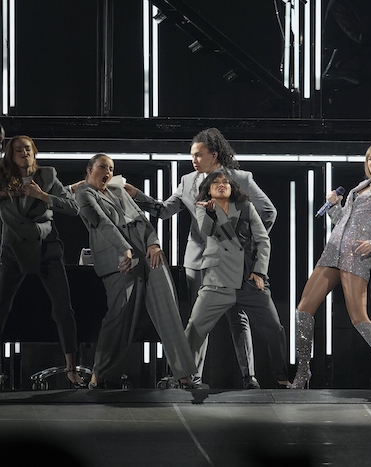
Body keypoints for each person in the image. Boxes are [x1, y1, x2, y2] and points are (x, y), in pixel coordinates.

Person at [126, 127, 276, 389]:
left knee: (237, 317)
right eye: (191, 156)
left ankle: (249, 377)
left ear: (214, 155)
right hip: (197, 260)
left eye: (198, 155)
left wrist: (245, 245)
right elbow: (163, 211)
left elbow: (268, 212)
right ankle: (190, 376)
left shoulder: (240, 178)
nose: (193, 160)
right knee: (197, 320)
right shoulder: (187, 182)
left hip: (232, 263)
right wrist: (137, 195)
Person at [291, 142, 371, 391]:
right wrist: (335, 206)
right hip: (332, 252)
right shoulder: (360, 188)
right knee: (303, 309)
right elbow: (343, 223)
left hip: (357, 255)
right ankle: (303, 372)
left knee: (358, 317)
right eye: (369, 159)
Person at [76, 154, 197, 388]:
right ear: (90, 169)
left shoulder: (118, 191)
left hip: (146, 253)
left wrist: (154, 244)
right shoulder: (83, 193)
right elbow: (103, 223)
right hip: (118, 258)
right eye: (103, 167)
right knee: (119, 316)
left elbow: (142, 219)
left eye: (111, 169)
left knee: (168, 310)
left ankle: (184, 374)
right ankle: (101, 373)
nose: (108, 172)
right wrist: (126, 249)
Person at [183, 169, 291, 388]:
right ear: (209, 190)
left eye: (226, 182)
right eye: (216, 183)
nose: (222, 184)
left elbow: (263, 240)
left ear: (232, 188)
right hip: (216, 281)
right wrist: (214, 214)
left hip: (248, 281)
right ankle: (185, 376)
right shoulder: (203, 208)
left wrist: (259, 272)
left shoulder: (245, 207)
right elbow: (209, 232)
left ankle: (282, 378)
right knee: (194, 327)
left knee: (275, 329)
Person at [0, 135, 85, 387]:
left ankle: (71, 368)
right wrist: (5, 192)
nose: (24, 153)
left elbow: (72, 208)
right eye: (18, 150)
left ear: (34, 153)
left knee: (63, 309)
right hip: (13, 249)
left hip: (47, 248)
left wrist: (42, 196)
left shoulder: (47, 176)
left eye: (28, 149)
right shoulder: (3, 176)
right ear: (11, 156)